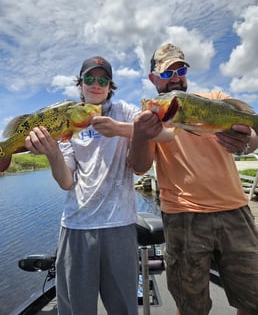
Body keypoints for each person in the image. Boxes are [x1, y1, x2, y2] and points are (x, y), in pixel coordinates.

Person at [127, 43, 258, 315]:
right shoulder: (153, 116)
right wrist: (140, 135)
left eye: (180, 70)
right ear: (153, 79)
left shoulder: (216, 97)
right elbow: (139, 167)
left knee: (253, 297)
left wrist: (245, 141)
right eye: (166, 73)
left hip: (236, 211)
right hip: (182, 217)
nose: (175, 78)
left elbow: (251, 138)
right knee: (190, 306)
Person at [25, 56, 140, 315]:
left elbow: (156, 130)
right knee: (77, 309)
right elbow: (66, 181)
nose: (96, 84)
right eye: (89, 78)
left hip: (120, 225)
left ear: (111, 86)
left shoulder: (124, 111)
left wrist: (120, 129)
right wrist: (52, 151)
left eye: (103, 79)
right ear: (81, 84)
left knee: (124, 308)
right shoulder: (67, 120)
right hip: (76, 226)